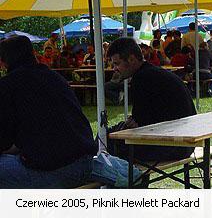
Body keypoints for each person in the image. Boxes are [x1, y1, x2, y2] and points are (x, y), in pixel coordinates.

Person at [0, 36, 97, 188]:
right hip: (87, 163)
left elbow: (3, 140)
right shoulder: (55, 77)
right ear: (33, 54)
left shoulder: (8, 86)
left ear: (3, 62)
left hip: (55, 170)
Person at [106, 37, 196, 161]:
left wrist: (130, 124)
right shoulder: (153, 72)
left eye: (117, 63)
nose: (114, 68)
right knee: (113, 134)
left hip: (171, 146)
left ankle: (123, 179)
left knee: (107, 141)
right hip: (185, 142)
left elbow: (139, 124)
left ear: (131, 59)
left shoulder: (141, 79)